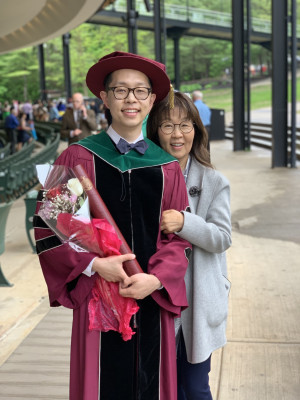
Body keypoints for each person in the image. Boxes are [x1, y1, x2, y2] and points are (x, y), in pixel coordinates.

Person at [34, 51, 191, 400]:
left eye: (140, 91)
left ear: (152, 100)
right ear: (104, 98)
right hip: (99, 297)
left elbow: (179, 238)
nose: (130, 99)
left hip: (150, 295)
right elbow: (49, 227)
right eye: (120, 90)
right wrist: (93, 265)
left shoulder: (168, 167)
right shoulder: (76, 158)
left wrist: (157, 278)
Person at [147, 91, 232, 400]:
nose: (177, 134)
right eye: (167, 125)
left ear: (196, 129)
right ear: (155, 130)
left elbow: (223, 238)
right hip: (157, 299)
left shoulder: (213, 180)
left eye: (185, 125)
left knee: (195, 387)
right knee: (164, 388)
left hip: (198, 299)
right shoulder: (143, 175)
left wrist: (185, 223)